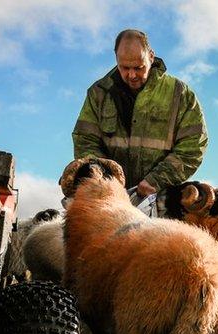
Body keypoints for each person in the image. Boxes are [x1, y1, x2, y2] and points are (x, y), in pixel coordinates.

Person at [72, 29, 207, 210]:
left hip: (162, 201)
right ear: (116, 60)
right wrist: (108, 180)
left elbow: (193, 146)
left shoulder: (180, 93)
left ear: (151, 57)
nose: (132, 75)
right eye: (125, 68)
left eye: (138, 67)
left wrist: (156, 179)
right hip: (109, 200)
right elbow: (84, 140)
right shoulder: (98, 93)